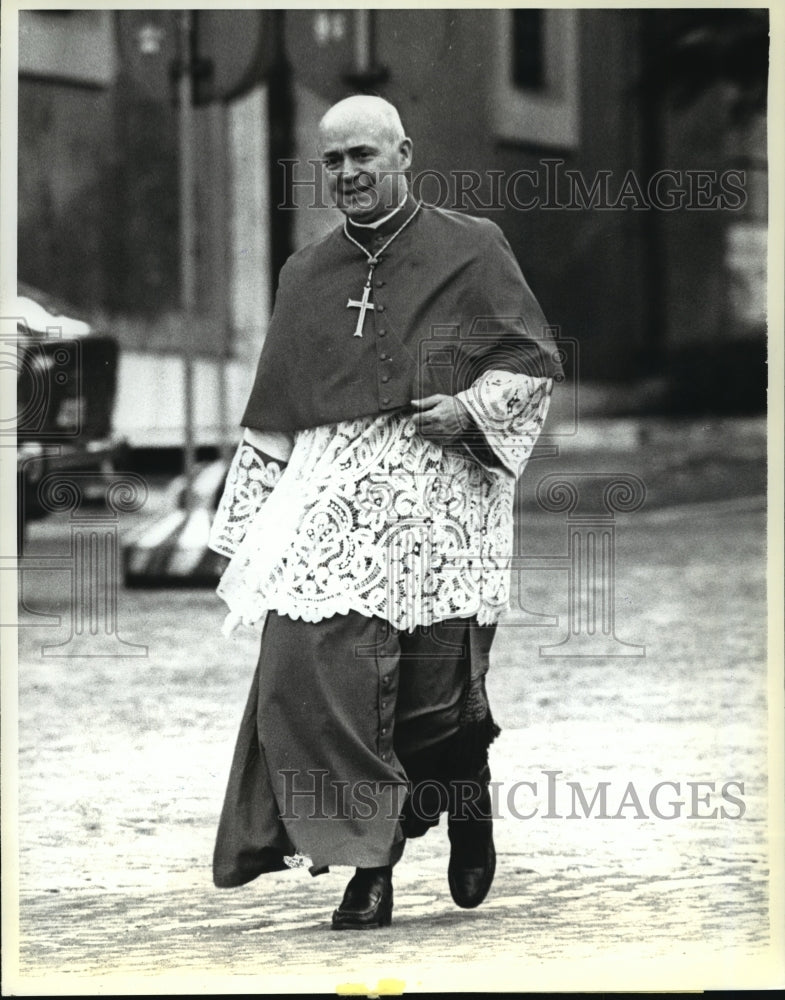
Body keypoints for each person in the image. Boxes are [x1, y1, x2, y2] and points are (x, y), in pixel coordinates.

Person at [208, 95, 561, 929]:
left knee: (434, 703)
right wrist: (242, 537)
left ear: (403, 153)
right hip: (331, 501)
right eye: (332, 161)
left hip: (443, 495)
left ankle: (461, 787)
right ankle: (371, 863)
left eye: (363, 155)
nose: (349, 174)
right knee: (307, 670)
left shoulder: (472, 247)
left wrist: (470, 411)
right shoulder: (304, 272)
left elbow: (529, 360)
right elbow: (274, 414)